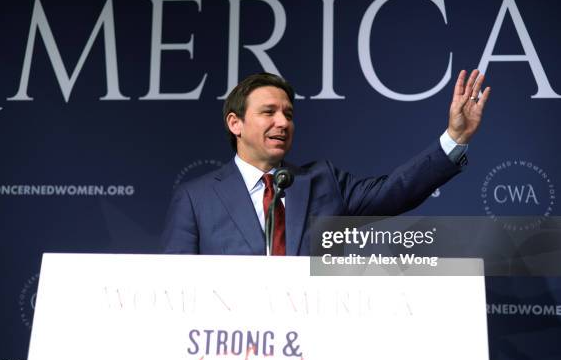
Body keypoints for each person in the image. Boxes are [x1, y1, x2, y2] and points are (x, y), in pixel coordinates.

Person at [161, 70, 491, 255]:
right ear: (236, 124)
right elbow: (175, 288)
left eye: (288, 114)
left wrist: (454, 137)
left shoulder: (322, 181)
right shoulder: (196, 198)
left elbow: (396, 190)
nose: (283, 122)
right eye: (269, 112)